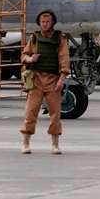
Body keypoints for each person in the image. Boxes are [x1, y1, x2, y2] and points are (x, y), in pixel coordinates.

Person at [19, 9, 70, 154]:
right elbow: (24, 55)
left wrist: (62, 79)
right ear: (39, 23)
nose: (45, 24)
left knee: (55, 115)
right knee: (31, 112)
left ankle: (55, 145)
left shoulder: (60, 38)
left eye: (47, 21)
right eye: (43, 22)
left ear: (52, 22)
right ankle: (25, 143)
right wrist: (30, 59)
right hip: (36, 80)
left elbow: (64, 59)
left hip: (53, 81)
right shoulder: (34, 38)